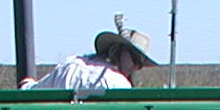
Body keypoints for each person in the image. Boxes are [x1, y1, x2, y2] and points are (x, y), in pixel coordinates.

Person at [22, 21, 158, 92]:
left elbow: (30, 91)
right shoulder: (119, 84)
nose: (137, 68)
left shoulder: (68, 67)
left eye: (140, 64)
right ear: (117, 50)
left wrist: (27, 83)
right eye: (135, 59)